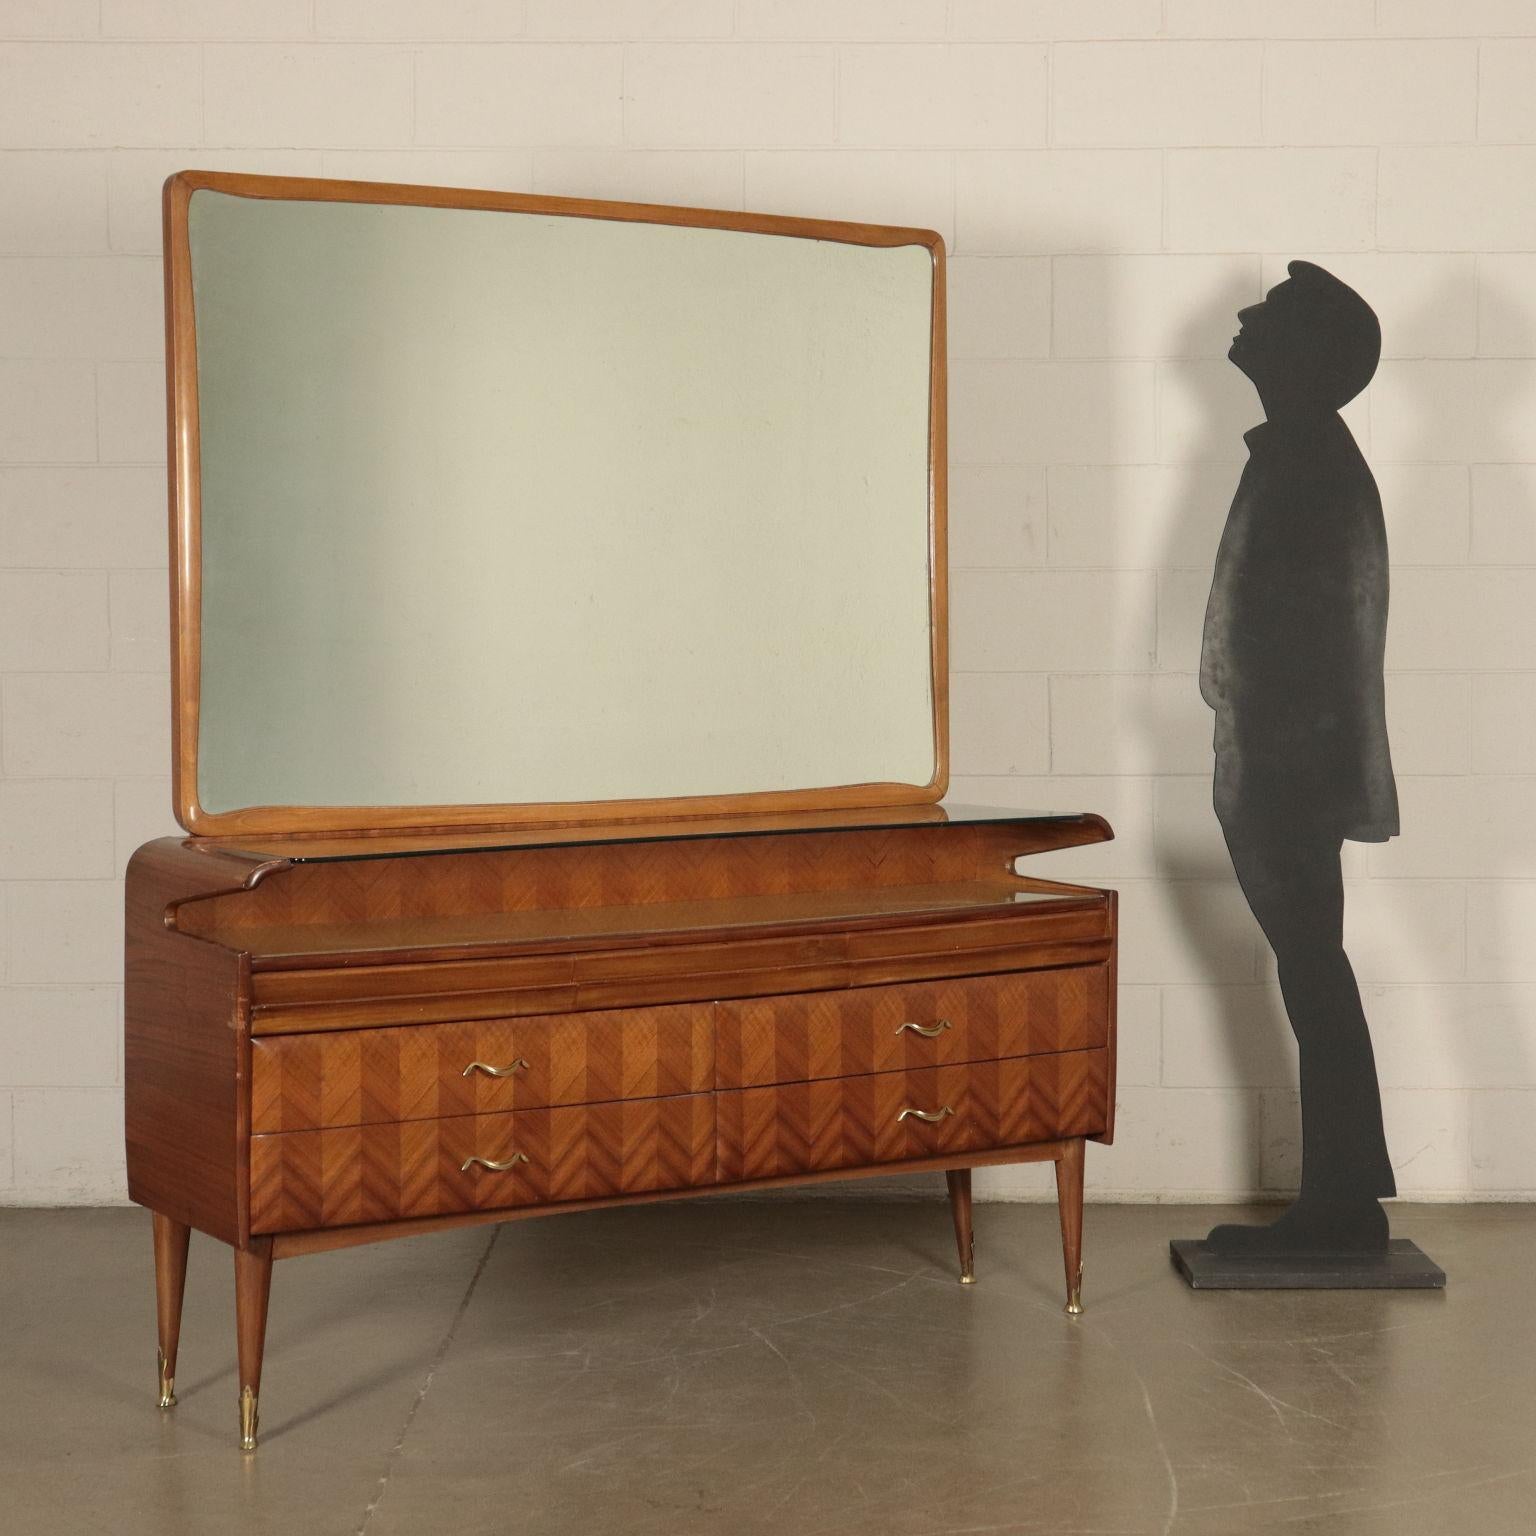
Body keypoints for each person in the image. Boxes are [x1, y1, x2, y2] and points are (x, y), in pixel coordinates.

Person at [1200, 261, 1399, 1255]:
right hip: (1282, 761)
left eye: (1273, 313)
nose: (1246, 315)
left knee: (1313, 967)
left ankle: (1341, 1203)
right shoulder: (1302, 454)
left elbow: (1326, 640)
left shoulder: (1313, 461)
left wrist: (1268, 755)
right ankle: (1345, 1194)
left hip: (1290, 768)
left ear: (1310, 357)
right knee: (1313, 967)